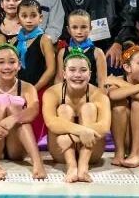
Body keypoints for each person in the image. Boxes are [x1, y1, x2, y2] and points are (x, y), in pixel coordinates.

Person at [0, 43, 46, 181]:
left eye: (12, 62)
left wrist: (14, 118)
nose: (7, 67)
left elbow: (34, 110)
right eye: (1, 62)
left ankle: (37, 162)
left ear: (19, 65)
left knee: (17, 110)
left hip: (16, 149)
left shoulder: (27, 87)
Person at [43, 49, 111, 183]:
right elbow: (51, 122)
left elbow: (104, 127)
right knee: (64, 109)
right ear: (64, 74)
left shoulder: (99, 95)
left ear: (90, 74)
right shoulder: (52, 93)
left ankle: (83, 167)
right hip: (61, 151)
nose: (77, 75)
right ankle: (72, 166)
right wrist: (82, 131)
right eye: (72, 70)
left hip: (92, 153)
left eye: (83, 70)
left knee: (89, 108)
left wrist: (71, 138)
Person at [105, 44, 139, 168]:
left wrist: (119, 82)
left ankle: (136, 154)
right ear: (127, 67)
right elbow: (113, 95)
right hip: (126, 140)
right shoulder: (118, 81)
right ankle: (120, 153)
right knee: (118, 106)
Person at [0, 0, 55, 90]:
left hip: (39, 89)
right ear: (18, 19)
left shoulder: (44, 39)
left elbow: (51, 70)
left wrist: (33, 89)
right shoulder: (13, 41)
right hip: (17, 89)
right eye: (24, 16)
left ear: (40, 17)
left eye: (33, 16)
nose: (29, 20)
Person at [58, 10, 108, 87]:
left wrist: (99, 95)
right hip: (67, 94)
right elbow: (59, 80)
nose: (79, 31)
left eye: (83, 27)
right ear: (68, 30)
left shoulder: (98, 53)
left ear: (90, 28)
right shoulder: (62, 53)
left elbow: (102, 82)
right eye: (74, 27)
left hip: (91, 93)